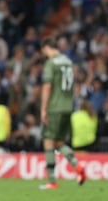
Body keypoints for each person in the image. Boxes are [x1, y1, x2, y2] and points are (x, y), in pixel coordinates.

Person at [39, 37, 85, 189]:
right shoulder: (68, 61)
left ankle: (52, 181)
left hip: (55, 107)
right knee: (59, 142)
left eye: (44, 51)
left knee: (48, 140)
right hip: (67, 107)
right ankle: (77, 166)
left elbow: (47, 86)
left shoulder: (51, 63)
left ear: (46, 48)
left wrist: (43, 109)